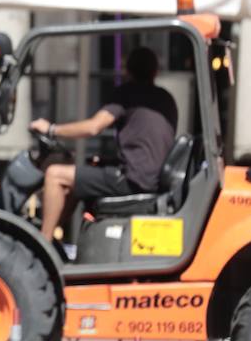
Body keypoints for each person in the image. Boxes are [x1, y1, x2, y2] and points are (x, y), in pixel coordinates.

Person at [28, 46, 176, 249]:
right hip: (149, 178)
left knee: (55, 174)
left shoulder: (127, 93)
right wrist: (108, 162)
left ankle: (40, 245)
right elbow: (145, 146)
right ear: (155, 71)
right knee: (76, 179)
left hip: (133, 180)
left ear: (127, 71)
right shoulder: (166, 98)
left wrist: (51, 129)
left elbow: (93, 127)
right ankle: (54, 241)